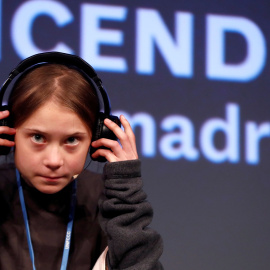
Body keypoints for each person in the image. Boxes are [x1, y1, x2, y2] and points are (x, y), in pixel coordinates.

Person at [0, 53, 163, 270]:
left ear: (97, 138)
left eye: (71, 140)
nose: (54, 160)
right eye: (38, 137)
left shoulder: (110, 200)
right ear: (10, 132)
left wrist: (127, 191)